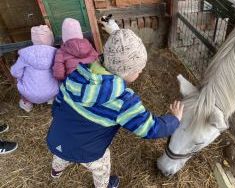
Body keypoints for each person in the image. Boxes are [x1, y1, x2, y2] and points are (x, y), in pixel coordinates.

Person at [46, 28, 184, 188]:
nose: (140, 72)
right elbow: (149, 128)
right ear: (126, 71)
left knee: (61, 153)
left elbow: (58, 104)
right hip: (89, 153)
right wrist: (174, 120)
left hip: (57, 139)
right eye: (138, 70)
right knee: (101, 166)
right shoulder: (122, 101)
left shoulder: (75, 76)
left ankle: (56, 171)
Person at [10, 25, 59, 112]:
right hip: (52, 91)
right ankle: (51, 99)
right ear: (51, 39)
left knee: (18, 79)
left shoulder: (26, 54)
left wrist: (21, 77)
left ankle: (27, 104)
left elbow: (15, 72)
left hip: (29, 93)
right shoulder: (56, 53)